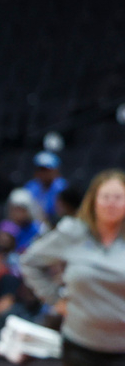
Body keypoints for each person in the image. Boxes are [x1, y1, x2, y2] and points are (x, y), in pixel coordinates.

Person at [19, 169, 125, 366]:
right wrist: (54, 299)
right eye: (105, 197)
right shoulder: (73, 231)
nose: (111, 203)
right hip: (79, 346)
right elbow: (29, 261)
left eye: (118, 197)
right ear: (93, 201)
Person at [22, 151, 67, 224]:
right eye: (40, 170)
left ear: (55, 170)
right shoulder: (30, 187)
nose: (43, 173)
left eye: (47, 170)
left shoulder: (62, 187)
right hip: (33, 224)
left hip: (57, 223)